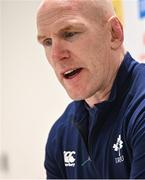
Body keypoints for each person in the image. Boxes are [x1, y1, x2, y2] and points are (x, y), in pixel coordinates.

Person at [36, 0, 145, 178]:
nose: (56, 55)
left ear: (114, 33)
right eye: (47, 42)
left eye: (69, 33)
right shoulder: (60, 135)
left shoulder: (140, 110)